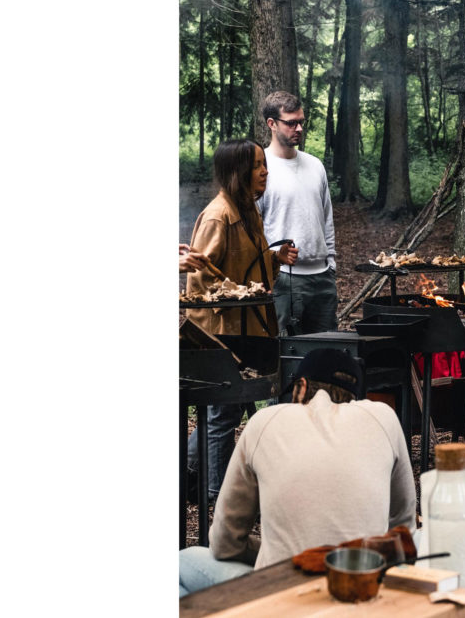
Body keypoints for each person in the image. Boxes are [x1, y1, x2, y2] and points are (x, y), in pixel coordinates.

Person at [178, 348, 417, 597]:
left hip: (281, 592)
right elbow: (404, 527)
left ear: (301, 387)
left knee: (183, 561)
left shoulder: (265, 421)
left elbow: (223, 544)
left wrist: (287, 553)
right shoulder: (383, 418)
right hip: (362, 585)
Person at [185, 139, 299, 500]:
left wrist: (276, 258)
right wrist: (224, 313)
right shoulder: (218, 216)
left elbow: (249, 271)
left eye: (264, 164)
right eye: (256, 166)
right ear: (237, 173)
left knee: (229, 413)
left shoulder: (249, 212)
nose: (264, 171)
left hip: (252, 331)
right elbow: (199, 281)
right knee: (222, 416)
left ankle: (187, 474)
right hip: (223, 335)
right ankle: (217, 498)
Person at [257, 91, 338, 336]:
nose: (299, 128)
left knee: (325, 355)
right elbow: (253, 229)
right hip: (283, 279)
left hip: (323, 278)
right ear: (272, 123)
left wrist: (331, 263)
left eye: (301, 121)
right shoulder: (260, 168)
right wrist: (267, 271)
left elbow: (327, 218)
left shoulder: (315, 165)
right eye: (291, 123)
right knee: (287, 355)